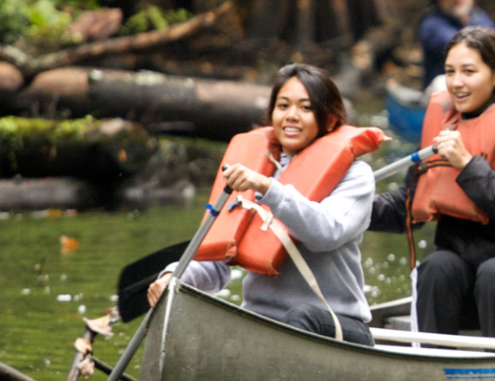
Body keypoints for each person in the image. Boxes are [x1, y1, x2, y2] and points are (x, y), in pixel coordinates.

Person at [147, 64, 381, 345]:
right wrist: (173, 277)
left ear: (329, 120)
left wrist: (268, 188)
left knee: (300, 318)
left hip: (335, 325)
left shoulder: (356, 175)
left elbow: (326, 233)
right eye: (283, 106)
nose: (291, 116)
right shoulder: (251, 168)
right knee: (202, 313)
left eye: (305, 108)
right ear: (271, 114)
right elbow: (216, 262)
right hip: (263, 324)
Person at [370, 26, 495, 340]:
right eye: (450, 72)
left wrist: (467, 164)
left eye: (469, 71)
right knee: (436, 266)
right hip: (468, 291)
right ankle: (432, 374)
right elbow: (404, 207)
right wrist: (342, 208)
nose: (456, 82)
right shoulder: (445, 129)